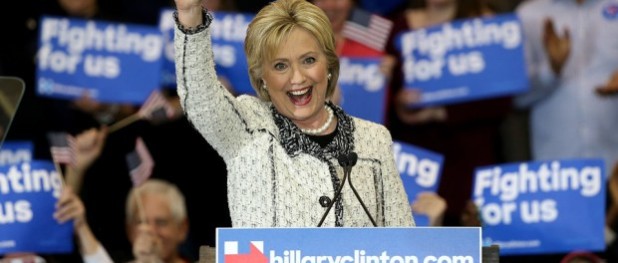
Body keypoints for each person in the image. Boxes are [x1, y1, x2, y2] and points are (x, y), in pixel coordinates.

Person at [172, 0, 414, 227]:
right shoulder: (247, 128)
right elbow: (200, 101)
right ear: (262, 78)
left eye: (309, 60)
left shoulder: (374, 139)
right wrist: (190, 15)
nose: (297, 78)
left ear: (329, 64)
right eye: (280, 66)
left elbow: (402, 237)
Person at [383, 0, 512, 226]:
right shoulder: (396, 26)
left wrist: (440, 113)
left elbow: (502, 102)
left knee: (473, 248)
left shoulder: (486, 25)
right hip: (414, 163)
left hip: (469, 162)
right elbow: (378, 101)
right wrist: (397, 101)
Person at [514, 0, 618, 174]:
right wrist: (551, 71)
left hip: (614, 168)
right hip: (557, 173)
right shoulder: (527, 16)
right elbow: (515, 99)